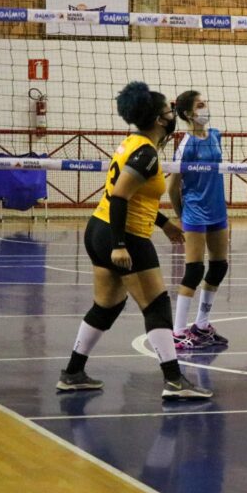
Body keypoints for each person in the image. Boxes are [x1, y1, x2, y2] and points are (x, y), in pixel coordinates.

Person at [57, 81, 211, 399]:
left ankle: (73, 373)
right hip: (123, 234)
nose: (173, 115)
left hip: (99, 229)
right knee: (155, 304)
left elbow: (134, 197)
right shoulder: (146, 154)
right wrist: (119, 245)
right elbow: (120, 196)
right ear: (159, 119)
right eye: (169, 111)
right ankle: (174, 380)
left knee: (107, 305)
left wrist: (165, 223)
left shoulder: (134, 143)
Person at [167, 90, 230, 350]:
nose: (206, 108)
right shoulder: (186, 144)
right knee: (194, 270)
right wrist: (181, 215)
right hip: (194, 210)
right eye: (201, 105)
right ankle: (178, 331)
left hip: (217, 209)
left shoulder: (214, 135)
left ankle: (202, 325)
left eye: (206, 103)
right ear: (188, 114)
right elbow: (172, 186)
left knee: (219, 267)